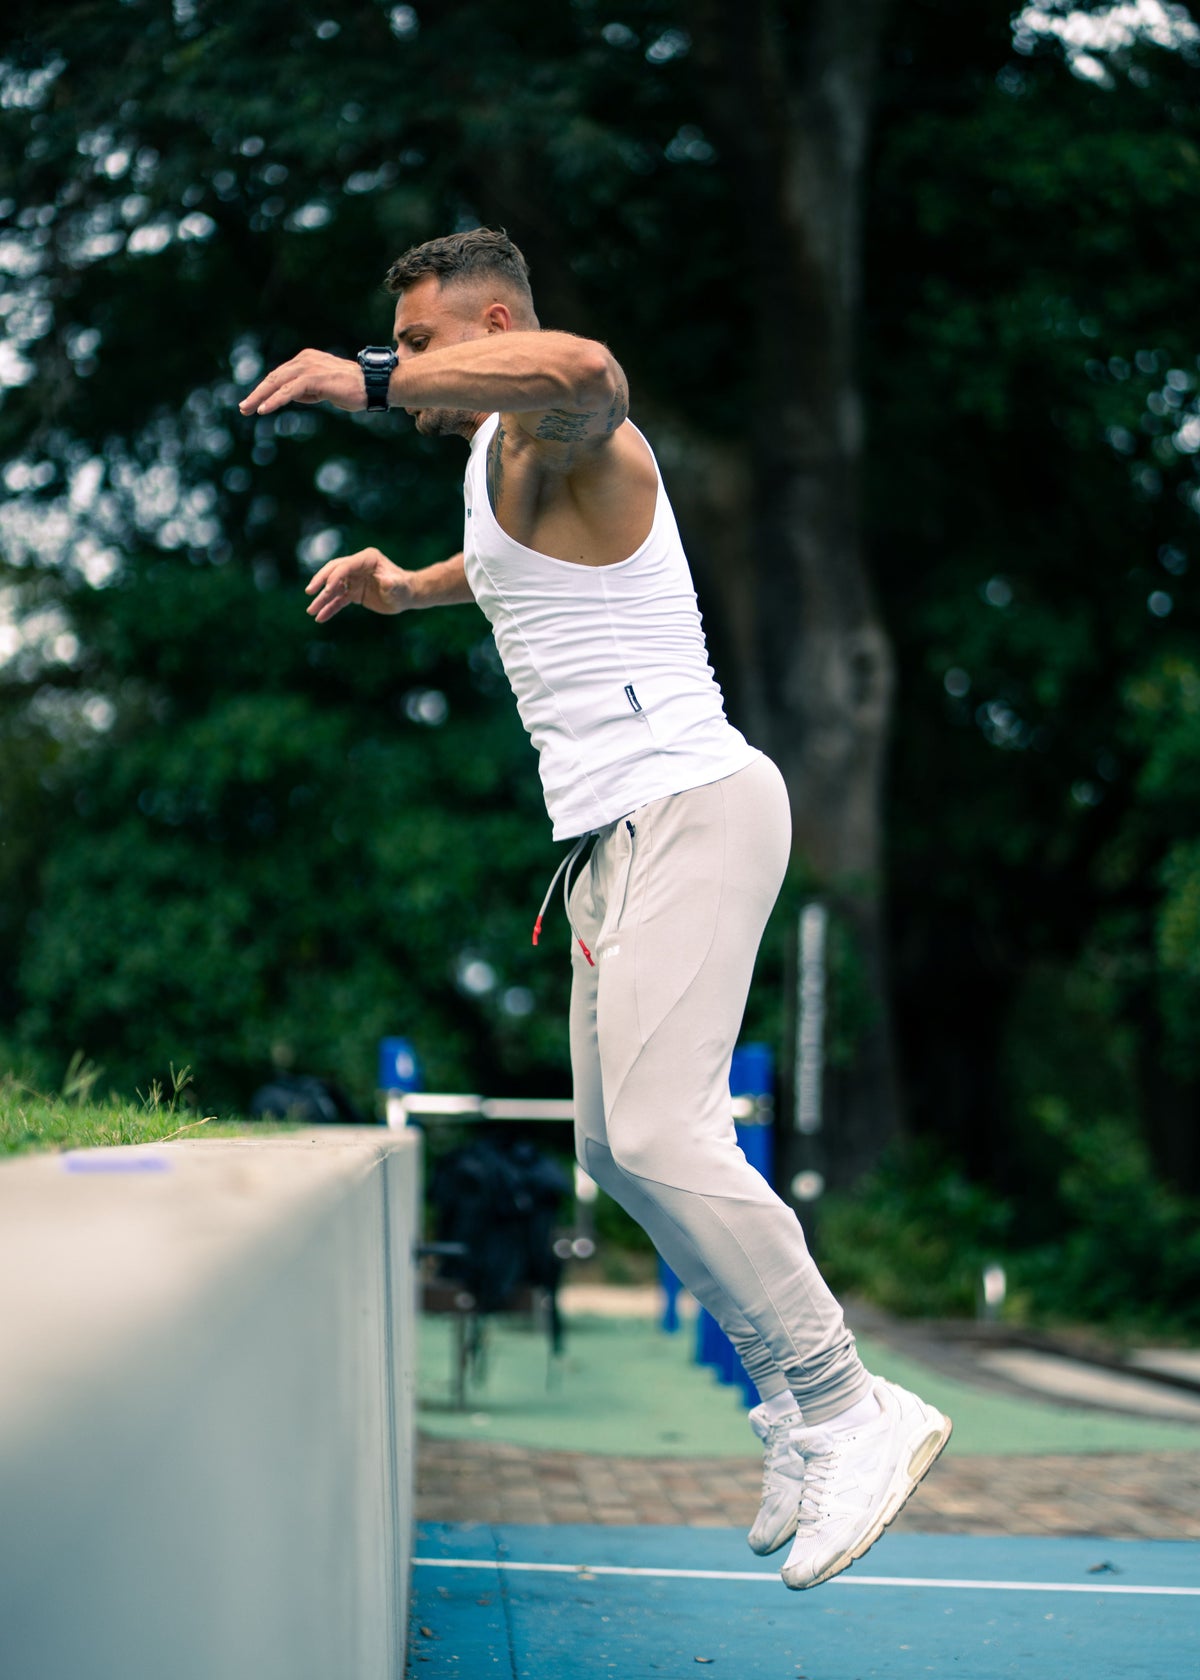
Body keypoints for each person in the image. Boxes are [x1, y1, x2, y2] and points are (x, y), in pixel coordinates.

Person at [239, 227, 951, 1590]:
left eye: (430, 341)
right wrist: (409, 586)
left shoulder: (569, 427)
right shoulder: (489, 468)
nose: (415, 365)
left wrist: (365, 379)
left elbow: (590, 365)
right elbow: (516, 574)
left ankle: (855, 1403)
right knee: (617, 1148)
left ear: (492, 320)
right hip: (608, 842)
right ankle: (803, 1420)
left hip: (692, 804)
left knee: (670, 1127)